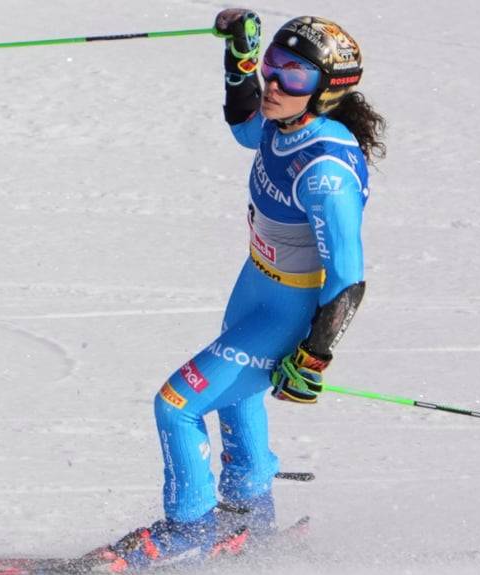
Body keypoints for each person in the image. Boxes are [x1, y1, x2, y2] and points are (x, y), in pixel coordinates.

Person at [97, 10, 386, 572]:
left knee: (176, 404)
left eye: (294, 76)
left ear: (327, 91)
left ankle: (189, 528)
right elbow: (241, 121)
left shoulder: (325, 170)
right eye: (273, 67)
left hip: (285, 307)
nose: (275, 85)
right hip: (254, 286)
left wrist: (314, 355)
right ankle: (250, 517)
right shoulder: (284, 125)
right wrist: (239, 57)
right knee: (234, 393)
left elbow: (349, 279)